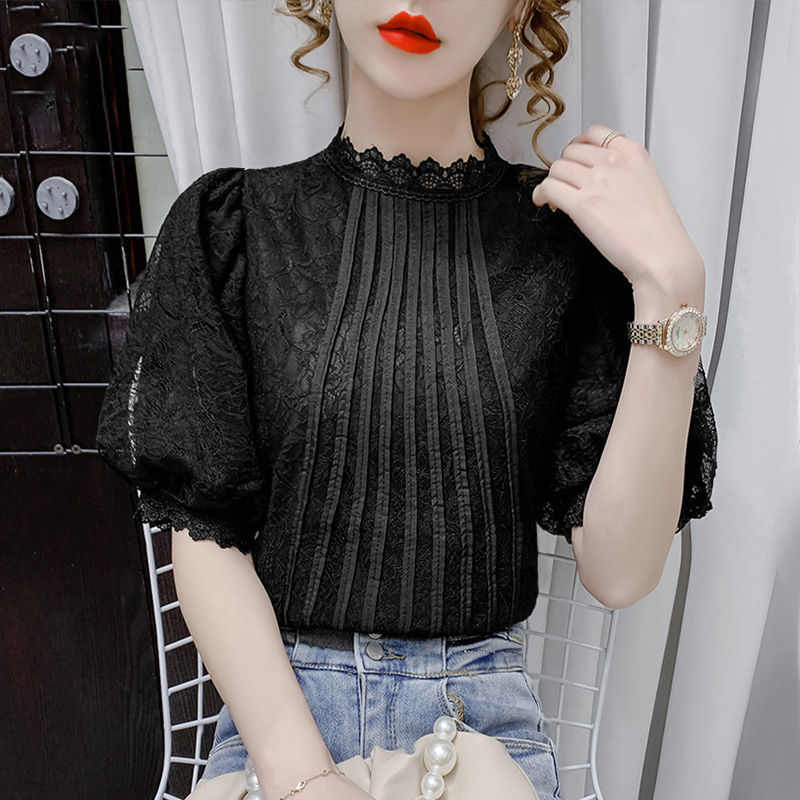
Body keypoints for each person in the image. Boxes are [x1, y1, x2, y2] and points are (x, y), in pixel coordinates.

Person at [95, 1, 718, 799]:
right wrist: (305, 778)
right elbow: (204, 530)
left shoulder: (568, 251)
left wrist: (670, 292)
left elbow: (622, 572)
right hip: (275, 730)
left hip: (480, 741)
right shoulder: (233, 230)